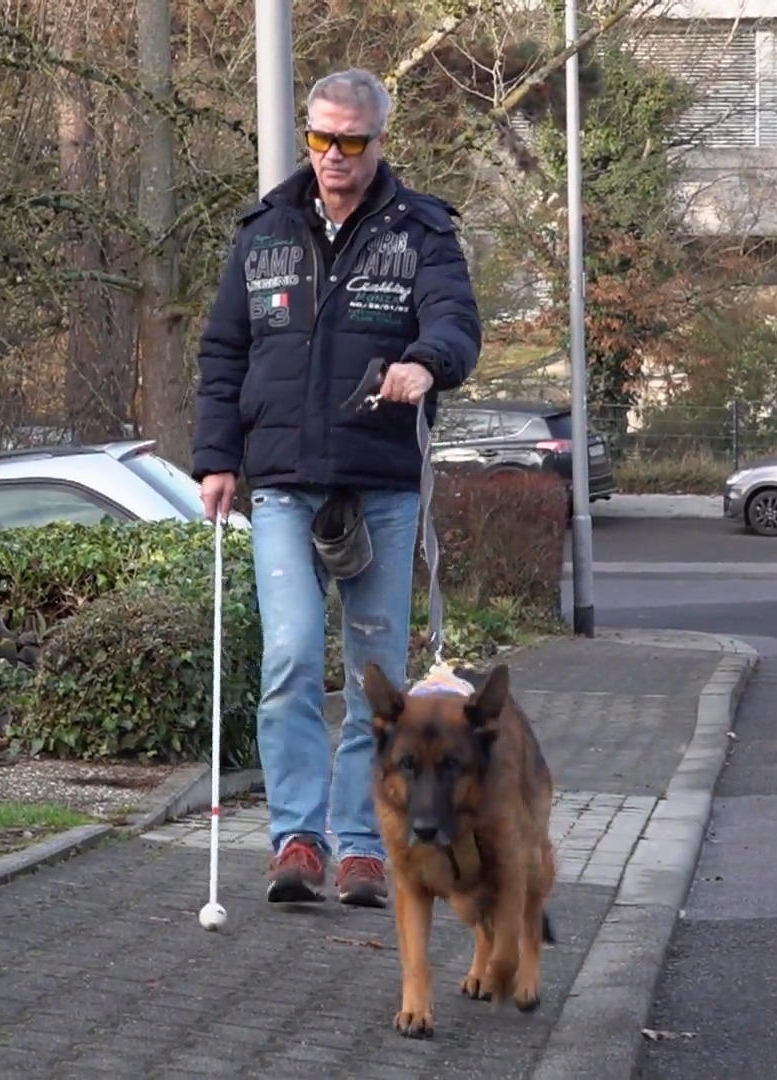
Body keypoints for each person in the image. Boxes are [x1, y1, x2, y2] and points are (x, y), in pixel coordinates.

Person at [188, 67, 482, 908]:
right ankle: (296, 841)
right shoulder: (263, 231)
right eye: (320, 138)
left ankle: (360, 847)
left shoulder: (420, 231)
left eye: (351, 141)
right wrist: (216, 459)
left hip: (380, 483)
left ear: (379, 141)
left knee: (374, 675)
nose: (334, 156)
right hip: (281, 483)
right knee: (288, 655)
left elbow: (455, 321)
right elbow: (223, 353)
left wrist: (427, 364)